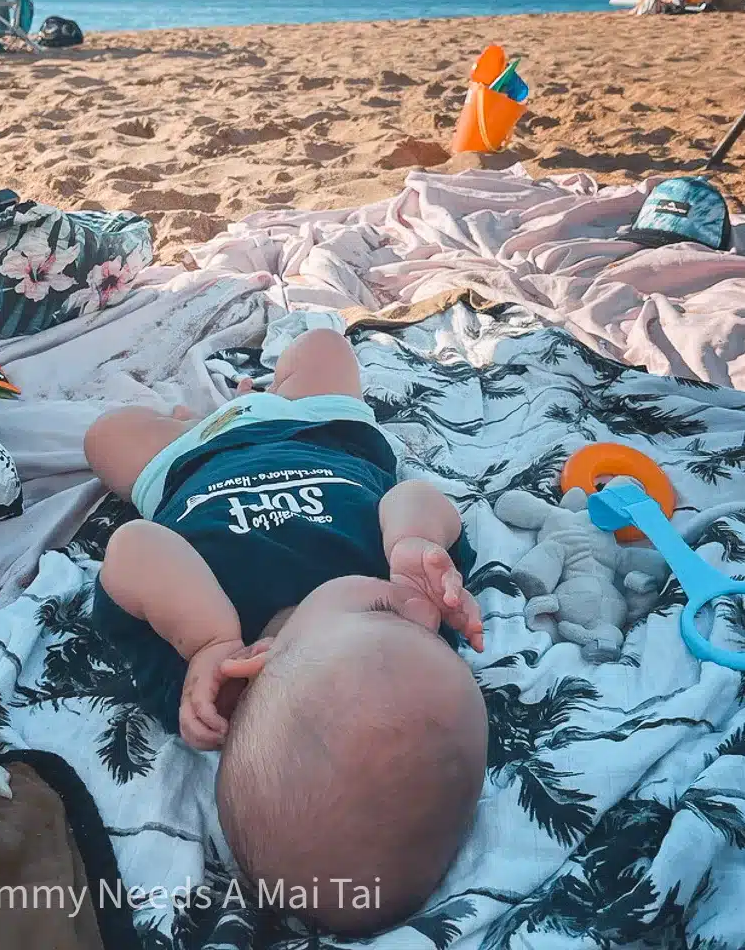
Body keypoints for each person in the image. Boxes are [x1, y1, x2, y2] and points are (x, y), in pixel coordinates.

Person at [84, 327, 488, 936]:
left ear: (261, 662)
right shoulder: (410, 607)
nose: (422, 613)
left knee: (106, 436)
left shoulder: (207, 681)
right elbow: (415, 493)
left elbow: (133, 545)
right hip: (324, 431)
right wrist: (413, 538)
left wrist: (207, 638)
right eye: (437, 641)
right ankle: (246, 398)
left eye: (388, 614)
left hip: (192, 459)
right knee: (324, 344)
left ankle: (203, 417)